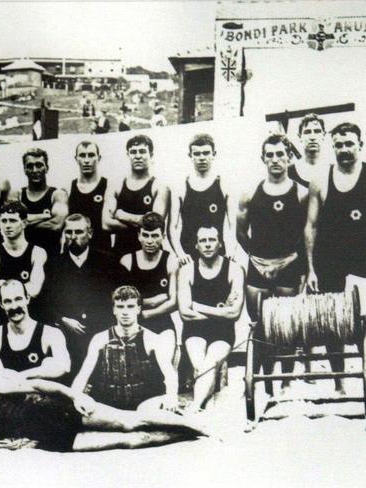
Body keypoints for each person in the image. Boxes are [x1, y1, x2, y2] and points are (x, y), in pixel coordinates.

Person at [0, 370, 208, 459]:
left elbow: (36, 383)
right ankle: (185, 438)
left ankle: (195, 426)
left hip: (52, 411)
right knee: (127, 442)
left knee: (129, 421)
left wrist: (74, 395)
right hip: (45, 440)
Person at [305, 122, 366, 386]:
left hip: (363, 256)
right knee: (332, 322)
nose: (344, 149)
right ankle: (339, 384)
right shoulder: (320, 179)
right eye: (338, 145)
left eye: (349, 143)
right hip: (329, 258)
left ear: (360, 144)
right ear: (332, 146)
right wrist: (311, 268)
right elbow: (310, 226)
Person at [236, 134, 308, 390]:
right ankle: (265, 383)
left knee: (286, 327)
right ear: (263, 158)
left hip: (288, 267)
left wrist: (288, 261)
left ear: (289, 157)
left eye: (280, 154)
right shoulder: (249, 193)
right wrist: (256, 259)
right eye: (270, 155)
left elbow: (308, 234)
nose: (275, 159)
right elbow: (241, 232)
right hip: (258, 269)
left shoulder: (301, 193)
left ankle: (286, 384)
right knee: (260, 326)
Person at [72, 286, 179, 412]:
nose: (125, 312)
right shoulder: (99, 339)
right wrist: (75, 398)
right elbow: (83, 375)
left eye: (130, 306)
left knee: (145, 410)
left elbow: (170, 374)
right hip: (108, 403)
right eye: (120, 307)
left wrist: (172, 397)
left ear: (138, 309)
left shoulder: (153, 339)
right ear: (114, 310)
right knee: (87, 407)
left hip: (145, 403)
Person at [39, 214, 120, 374]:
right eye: (69, 232)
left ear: (89, 233)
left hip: (100, 332)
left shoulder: (107, 262)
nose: (73, 237)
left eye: (79, 232)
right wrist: (63, 319)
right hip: (67, 335)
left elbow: (121, 297)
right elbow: (44, 302)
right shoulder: (54, 265)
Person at [178, 226, 244, 411]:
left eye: (212, 240)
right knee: (200, 363)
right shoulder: (187, 270)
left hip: (223, 332)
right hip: (194, 330)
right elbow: (184, 313)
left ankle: (196, 405)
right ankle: (205, 401)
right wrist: (219, 313)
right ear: (196, 245)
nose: (207, 244)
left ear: (220, 243)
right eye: (203, 241)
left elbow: (235, 313)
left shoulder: (234, 269)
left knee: (209, 363)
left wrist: (198, 306)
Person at [0, 280, 70, 380]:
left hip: (37, 392)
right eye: (8, 301)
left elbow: (64, 366)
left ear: (27, 299)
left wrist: (22, 376)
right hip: (5, 392)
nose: (14, 306)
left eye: (18, 299)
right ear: (1, 305)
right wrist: (4, 373)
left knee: (49, 362)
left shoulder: (51, 333)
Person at [121, 212, 179, 361]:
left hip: (162, 324)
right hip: (133, 325)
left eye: (154, 236)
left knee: (164, 363)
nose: (150, 241)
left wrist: (145, 313)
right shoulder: (127, 261)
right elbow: (123, 301)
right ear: (139, 235)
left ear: (163, 237)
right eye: (146, 235)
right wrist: (154, 300)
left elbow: (173, 302)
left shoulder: (170, 260)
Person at [0, 201, 47, 328]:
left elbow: (34, 290)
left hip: (29, 319)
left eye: (12, 220)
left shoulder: (37, 252)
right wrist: (23, 286)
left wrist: (2, 285)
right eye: (4, 221)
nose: (7, 225)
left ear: (24, 223)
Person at [102, 134, 169, 258]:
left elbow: (155, 225)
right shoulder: (116, 185)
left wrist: (122, 215)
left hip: (151, 255)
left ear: (151, 155)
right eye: (133, 152)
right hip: (121, 252)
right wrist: (142, 223)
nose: (138, 156)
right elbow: (106, 224)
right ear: (128, 155)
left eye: (142, 151)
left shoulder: (159, 187)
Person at [169, 134, 232, 263]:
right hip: (188, 256)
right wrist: (180, 253)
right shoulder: (181, 187)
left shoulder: (223, 184)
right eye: (197, 154)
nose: (202, 158)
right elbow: (172, 227)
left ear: (213, 154)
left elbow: (233, 224)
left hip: (217, 254)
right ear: (190, 156)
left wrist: (231, 249)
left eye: (206, 153)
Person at [11, 148, 68, 257]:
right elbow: (11, 224)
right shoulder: (17, 194)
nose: (34, 170)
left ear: (47, 168)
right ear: (24, 170)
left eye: (39, 165)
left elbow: (56, 225)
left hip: (50, 258)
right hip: (23, 257)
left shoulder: (57, 195)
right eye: (30, 166)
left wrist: (25, 222)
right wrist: (45, 216)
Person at [67, 141, 111, 254]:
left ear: (99, 158)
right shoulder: (68, 188)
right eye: (82, 155)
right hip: (76, 251)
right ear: (76, 159)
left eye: (91, 155)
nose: (86, 160)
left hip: (102, 250)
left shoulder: (109, 186)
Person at [289, 113, 327, 188]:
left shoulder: (333, 170)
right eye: (307, 132)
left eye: (317, 131)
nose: (312, 137)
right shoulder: (289, 172)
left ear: (323, 135)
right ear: (300, 136)